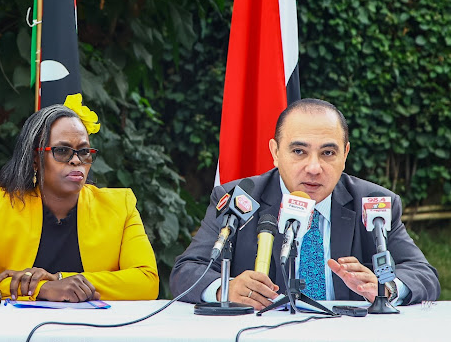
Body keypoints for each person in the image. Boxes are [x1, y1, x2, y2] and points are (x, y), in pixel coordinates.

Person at [170, 98, 440, 308]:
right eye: (299, 151)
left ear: (345, 154)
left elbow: (422, 273)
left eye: (328, 152)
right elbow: (187, 270)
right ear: (275, 152)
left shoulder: (373, 203)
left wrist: (386, 287)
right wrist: (223, 288)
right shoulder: (241, 199)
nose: (314, 167)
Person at [0, 94, 159, 301]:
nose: (76, 160)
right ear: (34, 160)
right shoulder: (1, 204)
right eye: (62, 150)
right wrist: (43, 288)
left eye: (84, 151)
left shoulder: (120, 206)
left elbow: (147, 281)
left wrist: (63, 280)